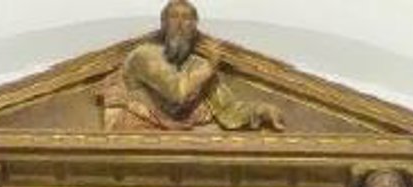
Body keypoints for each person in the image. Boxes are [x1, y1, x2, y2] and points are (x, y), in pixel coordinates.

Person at [98, 1, 282, 133]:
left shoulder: (198, 65)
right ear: (163, 24)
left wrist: (260, 110)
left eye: (186, 18)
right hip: (134, 138)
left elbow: (228, 109)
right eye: (173, 17)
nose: (180, 23)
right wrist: (210, 66)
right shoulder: (144, 55)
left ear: (194, 27)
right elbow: (176, 91)